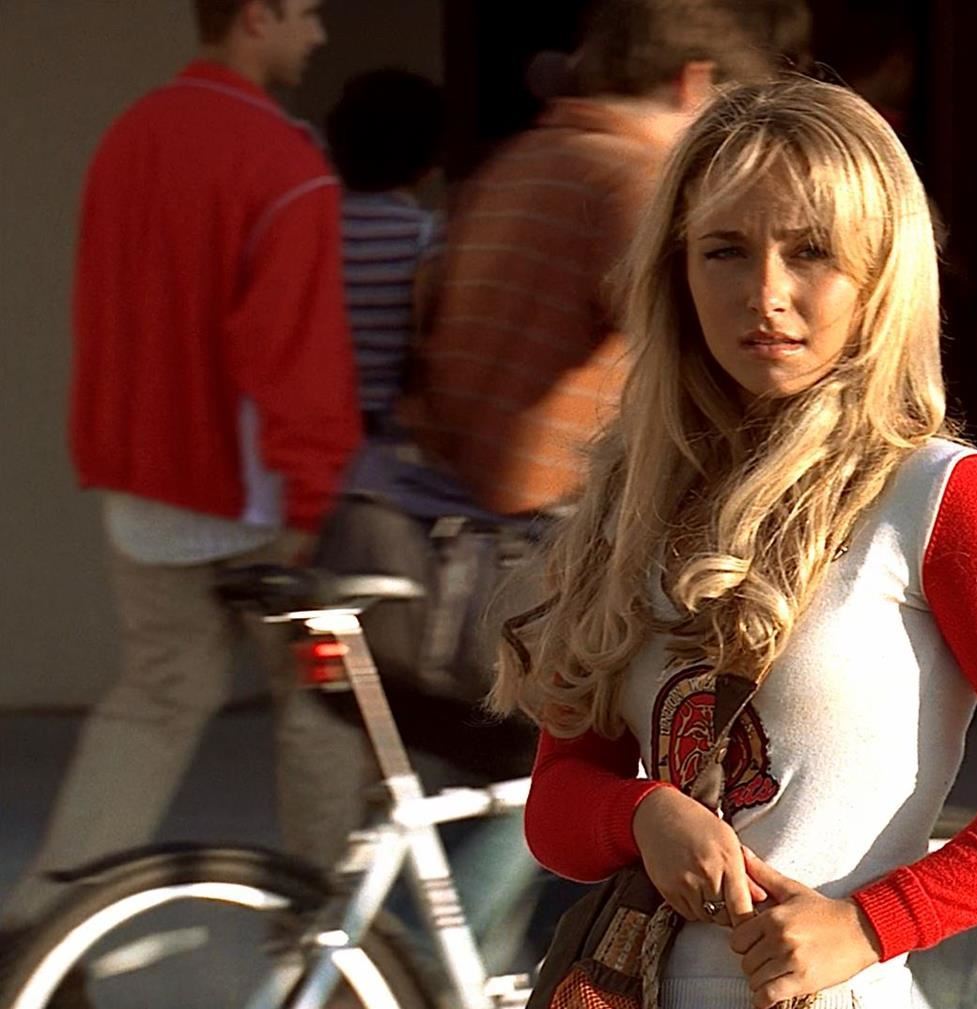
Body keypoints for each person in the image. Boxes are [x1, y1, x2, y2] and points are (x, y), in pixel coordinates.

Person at [492, 79, 977, 1009]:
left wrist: (873, 924)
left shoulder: (940, 495)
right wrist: (640, 812)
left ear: (880, 275)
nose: (766, 293)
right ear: (676, 271)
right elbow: (558, 803)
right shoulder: (631, 502)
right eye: (725, 249)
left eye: (812, 252)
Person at [2, 0, 359, 934]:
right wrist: (315, 499)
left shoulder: (129, 135)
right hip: (258, 498)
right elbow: (295, 357)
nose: (317, 36)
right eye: (306, 14)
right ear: (256, 18)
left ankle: (42, 930)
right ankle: (325, 954)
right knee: (325, 714)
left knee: (154, 702)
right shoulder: (282, 164)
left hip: (144, 489)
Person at [401, 0, 771, 519]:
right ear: (693, 82)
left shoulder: (513, 164)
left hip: (455, 501)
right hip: (559, 516)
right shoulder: (637, 180)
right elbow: (700, 346)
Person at [324, 67, 447, 434]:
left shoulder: (308, 232)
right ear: (429, 165)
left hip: (314, 423)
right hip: (389, 428)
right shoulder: (426, 237)